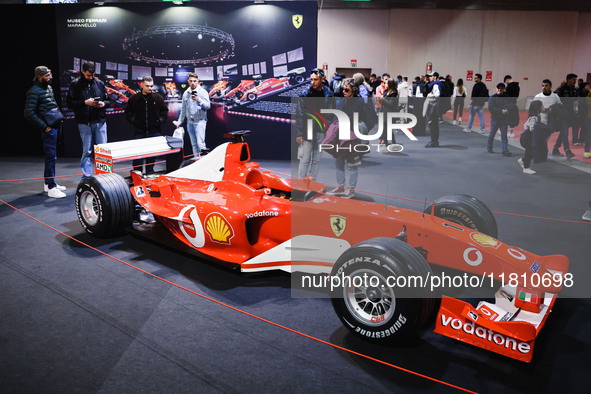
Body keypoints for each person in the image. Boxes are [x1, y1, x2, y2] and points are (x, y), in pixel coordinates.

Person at [323, 78, 377, 199]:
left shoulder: (359, 102)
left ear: (353, 90)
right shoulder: (342, 101)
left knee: (352, 163)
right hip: (342, 134)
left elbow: (363, 119)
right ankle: (340, 186)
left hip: (353, 136)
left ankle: (351, 189)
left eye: (347, 89)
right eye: (343, 89)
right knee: (339, 160)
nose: (344, 91)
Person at [24, 66, 66, 198]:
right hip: (49, 128)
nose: (51, 77)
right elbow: (28, 113)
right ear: (39, 77)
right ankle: (51, 186)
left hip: (55, 125)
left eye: (51, 74)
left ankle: (49, 184)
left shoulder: (48, 87)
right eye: (47, 75)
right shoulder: (33, 91)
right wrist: (45, 127)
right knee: (50, 156)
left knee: (52, 156)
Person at [67, 61, 111, 179]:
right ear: (83, 71)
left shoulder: (100, 83)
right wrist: (84, 102)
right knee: (87, 151)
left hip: (100, 121)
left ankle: (105, 176)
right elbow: (69, 103)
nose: (90, 77)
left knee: (103, 151)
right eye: (88, 75)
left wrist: (103, 103)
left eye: (92, 75)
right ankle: (87, 177)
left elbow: (109, 100)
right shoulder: (75, 84)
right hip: (84, 123)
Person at [295, 68, 334, 180]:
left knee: (316, 160)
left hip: (321, 131)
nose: (313, 82)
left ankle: (312, 182)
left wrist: (328, 130)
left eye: (315, 79)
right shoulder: (304, 94)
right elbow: (300, 114)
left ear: (323, 79)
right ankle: (301, 183)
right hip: (308, 130)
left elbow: (331, 114)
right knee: (305, 159)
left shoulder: (329, 94)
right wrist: (299, 133)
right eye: (311, 79)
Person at [125, 76, 169, 174]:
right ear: (142, 85)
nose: (150, 88)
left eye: (151, 86)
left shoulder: (158, 98)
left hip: (154, 131)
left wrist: (159, 120)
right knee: (138, 154)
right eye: (147, 86)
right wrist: (134, 120)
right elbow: (128, 112)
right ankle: (137, 173)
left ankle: (150, 172)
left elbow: (165, 111)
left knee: (151, 154)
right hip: (139, 131)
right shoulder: (134, 98)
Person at [173, 72, 210, 158]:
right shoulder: (186, 93)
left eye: (194, 81)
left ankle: (204, 164)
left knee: (201, 144)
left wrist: (199, 100)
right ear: (188, 81)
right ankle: (197, 163)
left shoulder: (203, 92)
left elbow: (208, 106)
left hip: (200, 122)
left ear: (198, 81)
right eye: (191, 81)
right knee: (194, 144)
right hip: (190, 123)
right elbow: (183, 109)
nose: (193, 83)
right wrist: (179, 122)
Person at [534, 79, 569, 160]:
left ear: (550, 87)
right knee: (540, 139)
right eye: (543, 86)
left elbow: (560, 106)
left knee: (546, 139)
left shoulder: (555, 96)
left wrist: (554, 110)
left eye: (546, 86)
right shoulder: (538, 96)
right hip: (540, 121)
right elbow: (533, 107)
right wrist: (540, 110)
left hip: (551, 121)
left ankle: (542, 154)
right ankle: (538, 153)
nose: (544, 87)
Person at [518, 100, 548, 175]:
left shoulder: (536, 116)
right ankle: (526, 167)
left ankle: (523, 160)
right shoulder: (534, 117)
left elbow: (526, 125)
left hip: (530, 136)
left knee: (531, 151)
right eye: (542, 106)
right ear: (538, 107)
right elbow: (531, 128)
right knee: (530, 151)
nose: (543, 107)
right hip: (529, 137)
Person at [553, 73, 578, 158]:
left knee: (563, 132)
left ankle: (555, 148)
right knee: (565, 133)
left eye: (576, 80)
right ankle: (567, 151)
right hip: (562, 114)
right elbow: (554, 97)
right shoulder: (562, 89)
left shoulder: (575, 90)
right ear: (568, 80)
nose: (575, 81)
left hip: (571, 115)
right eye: (573, 79)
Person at [486, 83, 512, 156]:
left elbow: (510, 106)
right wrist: (501, 111)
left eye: (501, 88)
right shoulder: (493, 97)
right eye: (498, 88)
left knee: (504, 136)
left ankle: (505, 150)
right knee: (492, 134)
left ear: (504, 89)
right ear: (496, 88)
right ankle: (489, 147)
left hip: (504, 120)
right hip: (495, 119)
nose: (499, 90)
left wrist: (508, 110)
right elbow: (491, 108)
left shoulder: (507, 97)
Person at [425, 71, 443, 148]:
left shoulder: (436, 84)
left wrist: (430, 95)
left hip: (434, 106)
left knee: (432, 124)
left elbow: (437, 94)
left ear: (435, 77)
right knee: (434, 124)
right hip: (435, 106)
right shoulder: (437, 84)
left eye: (431, 76)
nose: (429, 78)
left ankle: (433, 141)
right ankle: (434, 141)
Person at [379, 79, 399, 145]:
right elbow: (383, 104)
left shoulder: (394, 93)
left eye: (386, 83)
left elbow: (391, 104)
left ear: (390, 84)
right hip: (384, 112)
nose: (385, 84)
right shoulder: (385, 91)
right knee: (387, 128)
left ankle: (387, 143)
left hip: (390, 113)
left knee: (387, 128)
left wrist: (383, 100)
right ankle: (391, 142)